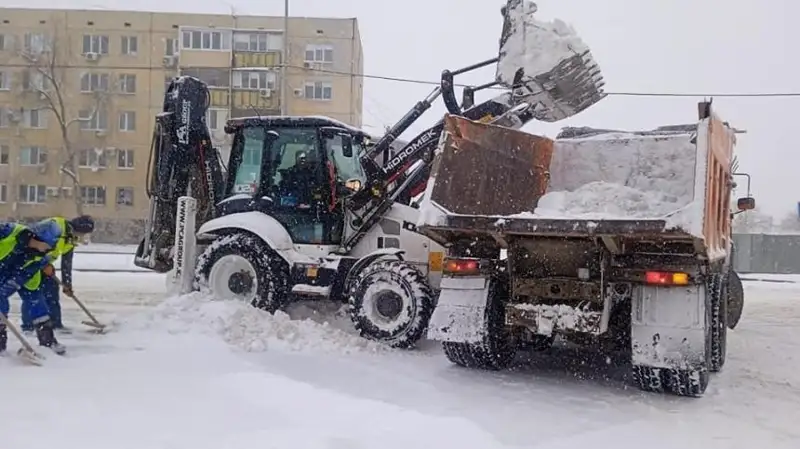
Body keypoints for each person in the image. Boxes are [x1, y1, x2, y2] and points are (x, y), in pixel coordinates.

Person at [20, 215, 95, 335]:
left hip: (45, 265)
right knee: (33, 292)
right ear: (79, 229)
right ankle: (28, 327)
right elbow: (38, 246)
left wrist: (67, 284)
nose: (83, 237)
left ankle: (55, 323)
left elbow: (66, 262)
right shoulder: (55, 227)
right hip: (29, 261)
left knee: (52, 290)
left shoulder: (71, 239)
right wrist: (43, 264)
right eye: (84, 234)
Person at [0, 222, 57, 354]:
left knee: (36, 301)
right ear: (40, 238)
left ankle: (47, 341)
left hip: (21, 276)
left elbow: (25, 273)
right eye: (48, 246)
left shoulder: (40, 256)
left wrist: (13, 283)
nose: (48, 250)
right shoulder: (8, 232)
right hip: (3, 270)